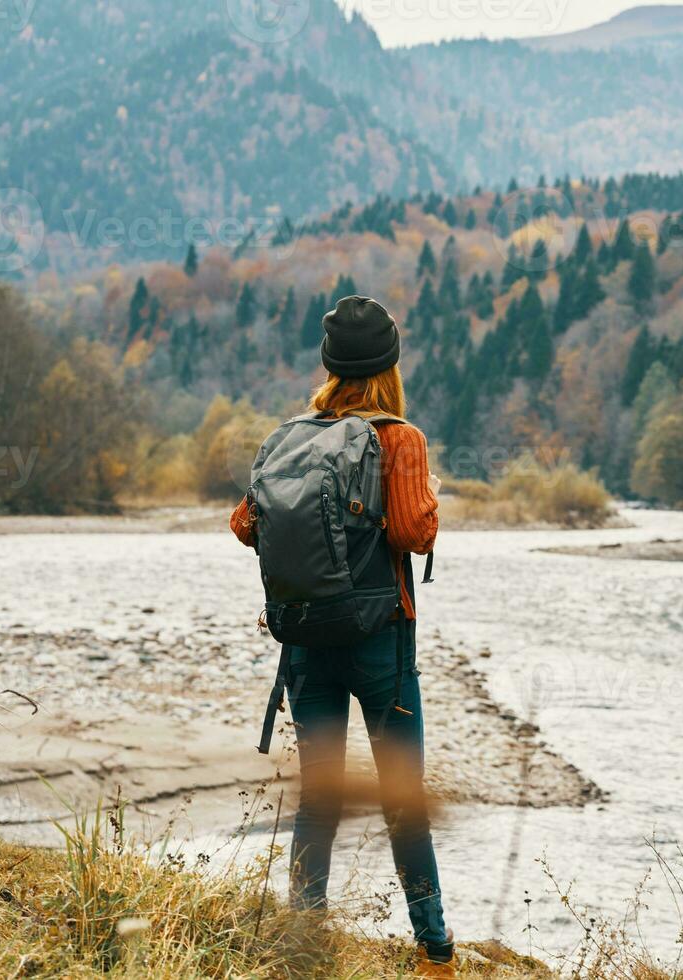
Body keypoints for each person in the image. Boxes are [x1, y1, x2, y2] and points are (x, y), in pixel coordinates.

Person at [230, 295, 454, 975]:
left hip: (304, 643)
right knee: (403, 800)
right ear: (389, 364)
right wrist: (420, 499)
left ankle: (304, 941)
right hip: (380, 641)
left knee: (318, 797)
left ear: (330, 365)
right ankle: (436, 950)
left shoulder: (292, 436)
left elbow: (245, 525)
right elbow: (416, 533)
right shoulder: (399, 438)